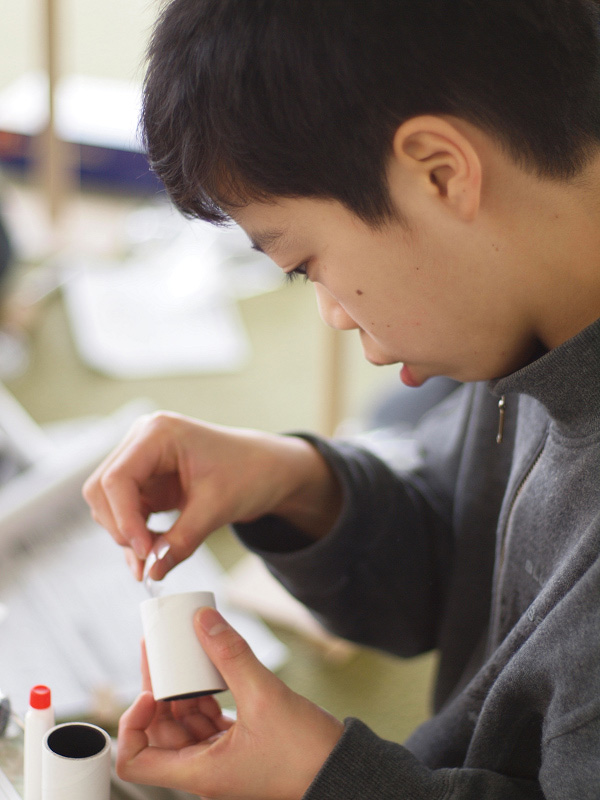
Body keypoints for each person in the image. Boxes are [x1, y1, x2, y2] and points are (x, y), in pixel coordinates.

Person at [83, 0, 600, 797]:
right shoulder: (532, 310)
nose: (330, 312)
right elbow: (469, 566)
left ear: (440, 171)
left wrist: (324, 779)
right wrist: (293, 483)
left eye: (305, 264)